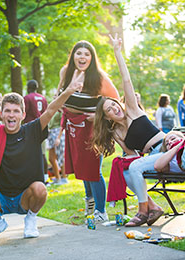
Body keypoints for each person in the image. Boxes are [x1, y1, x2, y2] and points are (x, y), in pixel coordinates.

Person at [0, 60, 83, 241]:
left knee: (40, 189)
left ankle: (30, 219)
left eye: (15, 111)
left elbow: (51, 109)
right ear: (2, 113)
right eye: (7, 111)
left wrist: (68, 90)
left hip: (24, 197)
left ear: (22, 114)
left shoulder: (32, 130)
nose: (11, 115)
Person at [92, 34, 164, 227]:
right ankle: (153, 207)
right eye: (109, 110)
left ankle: (143, 212)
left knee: (132, 170)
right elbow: (133, 156)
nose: (115, 108)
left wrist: (117, 51)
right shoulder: (117, 133)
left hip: (163, 149)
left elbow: (126, 79)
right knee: (127, 172)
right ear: (107, 117)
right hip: (150, 159)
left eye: (114, 104)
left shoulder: (132, 109)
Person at [56, 40, 119, 221]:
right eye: (79, 53)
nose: (82, 57)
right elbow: (59, 94)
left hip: (93, 128)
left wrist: (99, 117)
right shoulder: (65, 72)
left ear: (92, 58)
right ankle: (90, 201)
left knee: (93, 171)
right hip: (73, 126)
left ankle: (101, 211)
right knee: (81, 167)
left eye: (86, 54)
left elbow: (115, 102)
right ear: (73, 56)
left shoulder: (98, 77)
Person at [24, 79, 49, 178]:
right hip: (42, 127)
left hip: (30, 128)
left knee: (30, 153)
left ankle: (32, 175)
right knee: (42, 153)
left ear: (28, 88)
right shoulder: (43, 98)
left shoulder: (26, 98)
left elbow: (23, 113)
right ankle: (46, 176)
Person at [47, 109, 67, 185]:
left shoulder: (61, 111)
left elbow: (63, 125)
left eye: (55, 96)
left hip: (58, 133)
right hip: (51, 133)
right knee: (51, 158)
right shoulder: (53, 109)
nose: (54, 97)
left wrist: (58, 137)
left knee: (61, 157)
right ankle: (58, 178)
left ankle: (64, 178)